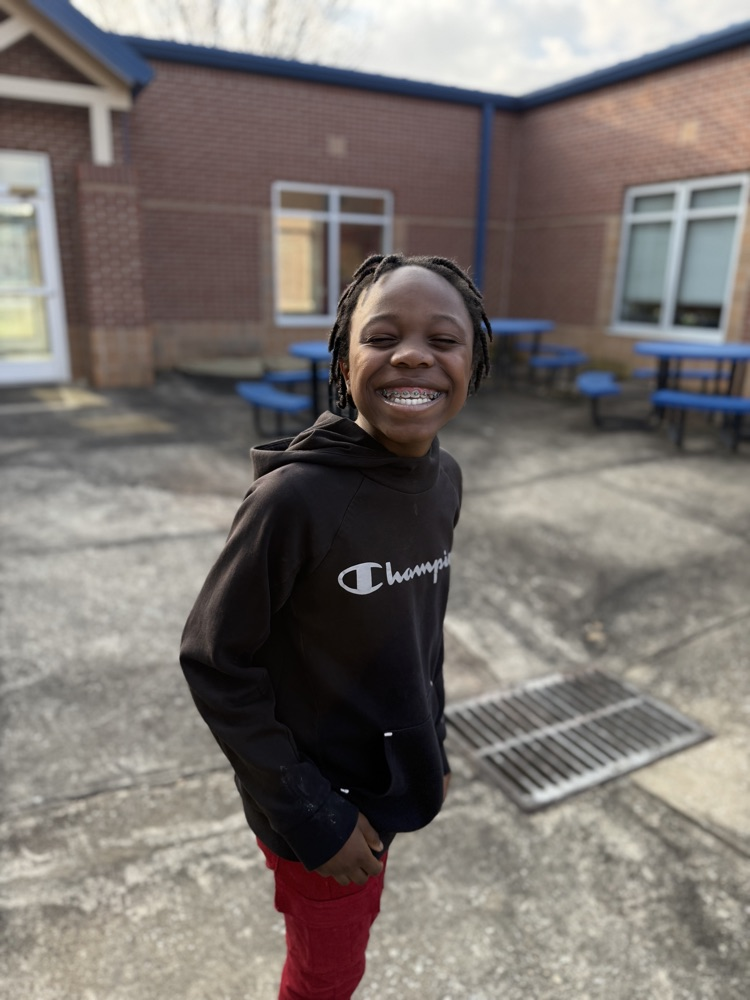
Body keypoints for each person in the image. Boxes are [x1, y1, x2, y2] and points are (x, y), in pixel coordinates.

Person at [179, 252, 492, 999]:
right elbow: (215, 663)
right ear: (345, 363)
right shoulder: (294, 502)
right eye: (382, 337)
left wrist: (433, 739)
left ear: (474, 363)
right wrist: (314, 816)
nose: (412, 354)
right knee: (327, 976)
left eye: (442, 339)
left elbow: (420, 634)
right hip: (320, 810)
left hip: (393, 783)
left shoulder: (444, 479)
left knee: (344, 949)